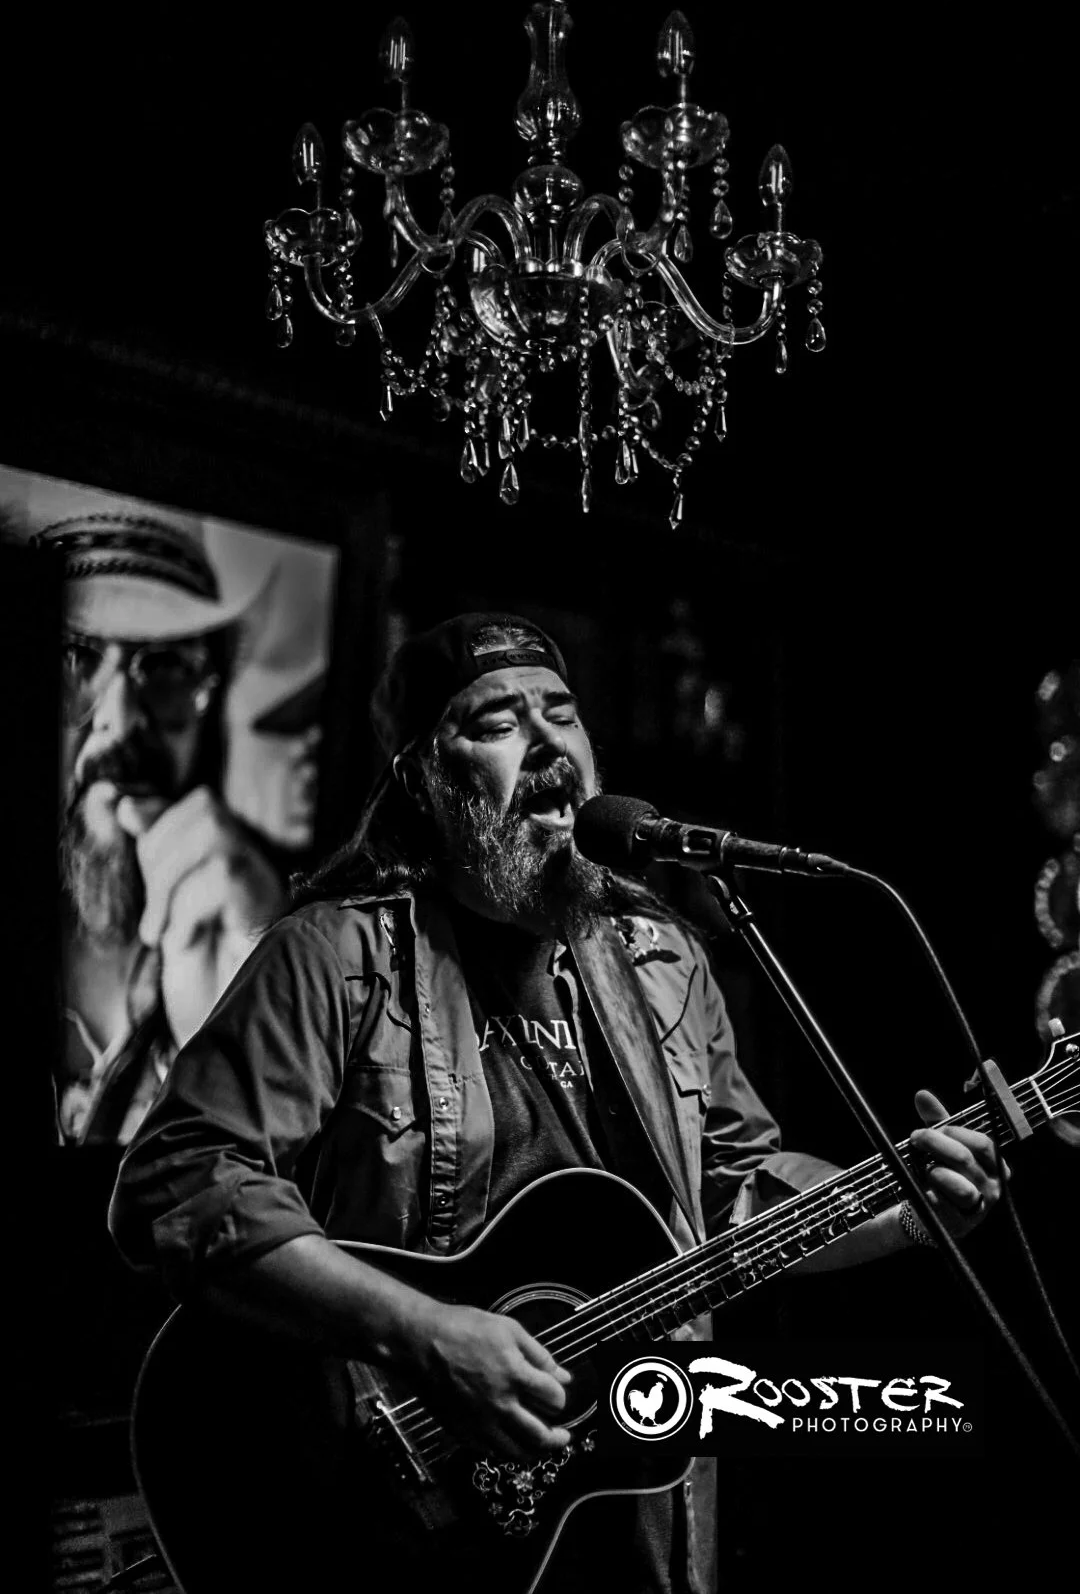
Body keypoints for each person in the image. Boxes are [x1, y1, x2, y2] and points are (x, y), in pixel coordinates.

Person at [109, 612, 1004, 1593]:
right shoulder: (337, 957)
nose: (548, 749)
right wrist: (425, 1333)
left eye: (563, 715)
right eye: (497, 720)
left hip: (631, 1512)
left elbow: (736, 1190)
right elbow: (180, 1183)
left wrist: (902, 1209)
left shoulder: (660, 964)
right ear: (423, 778)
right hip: (373, 1514)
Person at [20, 499, 289, 1143]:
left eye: (165, 667)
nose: (121, 717)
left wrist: (259, 1024)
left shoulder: (263, 925)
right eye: (75, 659)